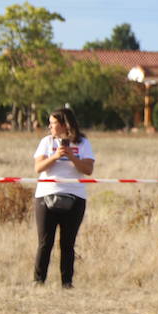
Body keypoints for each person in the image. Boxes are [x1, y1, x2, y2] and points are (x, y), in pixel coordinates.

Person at [32, 107, 95, 288]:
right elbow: (38, 168)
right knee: (45, 242)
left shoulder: (82, 143)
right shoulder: (46, 142)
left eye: (53, 123)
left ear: (64, 125)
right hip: (46, 195)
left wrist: (72, 157)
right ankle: (38, 281)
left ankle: (67, 282)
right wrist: (55, 156)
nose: (50, 127)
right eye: (50, 123)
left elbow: (88, 169)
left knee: (68, 243)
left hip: (74, 196)